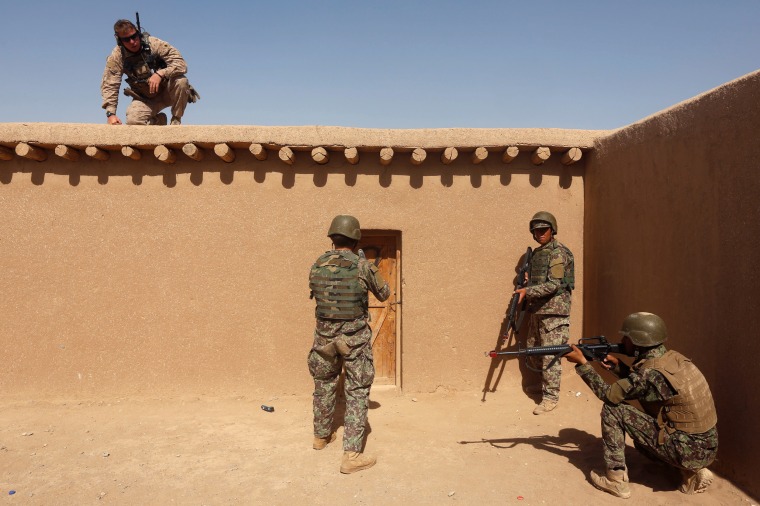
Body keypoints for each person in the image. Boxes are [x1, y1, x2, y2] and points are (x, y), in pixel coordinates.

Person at [564, 312, 718, 498]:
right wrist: (619, 367)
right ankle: (692, 472)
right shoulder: (673, 359)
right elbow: (647, 387)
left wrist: (582, 364)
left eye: (626, 337)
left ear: (637, 340)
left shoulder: (649, 374)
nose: (622, 340)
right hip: (706, 447)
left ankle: (616, 481)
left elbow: (608, 395)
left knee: (614, 410)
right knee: (646, 433)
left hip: (686, 450)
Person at [307, 215, 390, 474]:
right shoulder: (362, 266)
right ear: (355, 239)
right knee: (357, 391)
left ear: (332, 238)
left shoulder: (317, 263)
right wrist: (367, 266)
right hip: (353, 339)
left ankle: (321, 437)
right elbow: (384, 293)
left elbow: (317, 295)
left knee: (324, 386)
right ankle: (351, 456)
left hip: (324, 338)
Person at [514, 211, 575, 414]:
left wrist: (527, 291)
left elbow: (554, 285)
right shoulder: (539, 253)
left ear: (552, 230)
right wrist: (527, 282)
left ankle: (551, 397)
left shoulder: (558, 253)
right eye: (536, 230)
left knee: (550, 356)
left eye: (543, 230)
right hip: (538, 310)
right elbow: (539, 280)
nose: (539, 233)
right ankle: (543, 388)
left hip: (554, 313)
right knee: (534, 351)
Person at [101, 17, 199, 126]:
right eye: (126, 40)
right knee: (133, 121)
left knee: (181, 81)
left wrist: (161, 73)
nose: (132, 42)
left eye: (134, 36)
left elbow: (182, 65)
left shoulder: (154, 44)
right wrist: (111, 114)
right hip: (146, 99)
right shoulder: (118, 56)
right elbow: (110, 84)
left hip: (168, 91)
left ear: (138, 33)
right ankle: (159, 121)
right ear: (119, 41)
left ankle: (176, 120)